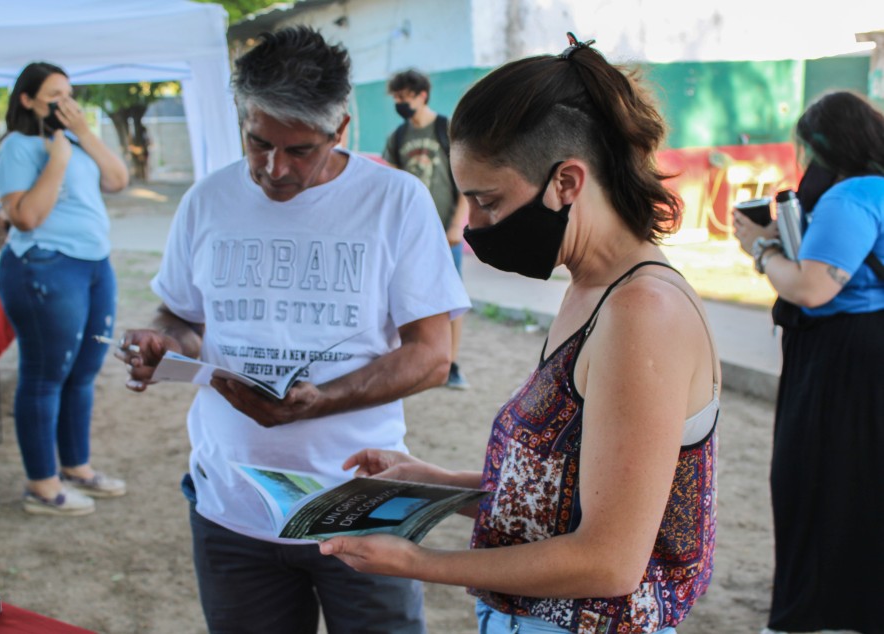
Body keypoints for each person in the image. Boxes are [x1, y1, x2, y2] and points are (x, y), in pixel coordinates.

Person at [319, 34, 719, 634]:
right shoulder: (593, 287)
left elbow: (608, 560)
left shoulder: (642, 313)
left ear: (566, 183)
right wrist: (433, 482)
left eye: (487, 200)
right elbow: (575, 491)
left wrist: (419, 562)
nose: (474, 224)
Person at [115, 26, 469, 634]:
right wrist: (167, 345)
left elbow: (433, 356)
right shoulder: (207, 201)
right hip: (230, 509)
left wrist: (323, 402)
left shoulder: (396, 202)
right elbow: (184, 318)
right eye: (258, 143)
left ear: (341, 130)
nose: (273, 169)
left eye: (299, 150)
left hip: (358, 507)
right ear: (243, 119)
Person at [733, 90, 884, 634]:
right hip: (864, 349)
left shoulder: (850, 197)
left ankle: (815, 612)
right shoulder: (875, 189)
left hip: (840, 358)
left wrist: (762, 249)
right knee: (860, 479)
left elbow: (812, 287)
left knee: (814, 479)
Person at [0, 62, 130, 516]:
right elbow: (25, 217)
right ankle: (41, 484)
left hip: (93, 265)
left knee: (84, 370)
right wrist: (58, 160)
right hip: (45, 267)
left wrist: (82, 135)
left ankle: (76, 467)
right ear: (28, 99)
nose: (65, 104)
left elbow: (117, 180)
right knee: (45, 373)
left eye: (69, 94)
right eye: (55, 95)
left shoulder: (74, 140)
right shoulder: (18, 146)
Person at [383, 69, 471, 389]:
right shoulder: (398, 137)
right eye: (396, 98)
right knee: (408, 295)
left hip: (445, 231)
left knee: (451, 298)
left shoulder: (445, 129)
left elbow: (464, 179)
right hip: (410, 233)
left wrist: (456, 224)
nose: (400, 103)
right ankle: (415, 358)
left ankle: (452, 363)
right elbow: (392, 182)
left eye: (404, 97)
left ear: (421, 96)